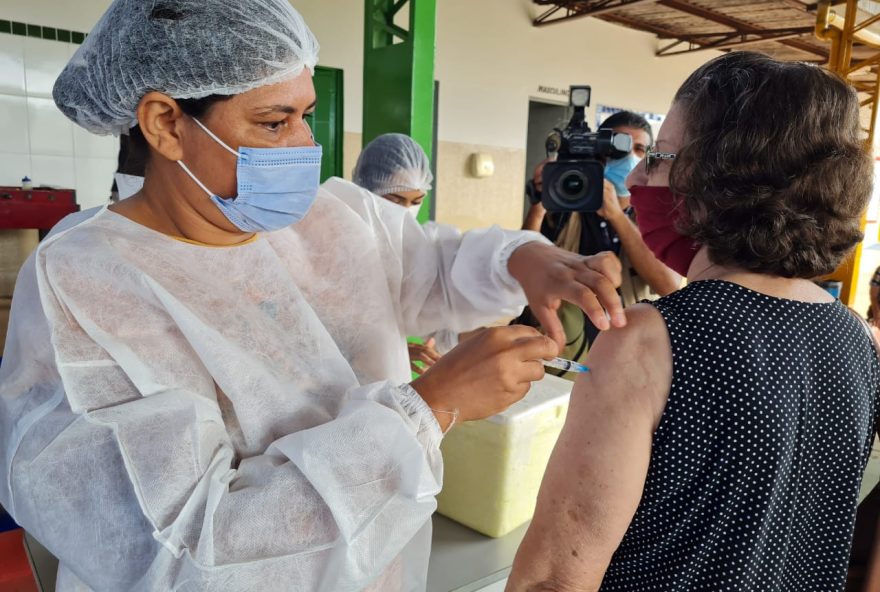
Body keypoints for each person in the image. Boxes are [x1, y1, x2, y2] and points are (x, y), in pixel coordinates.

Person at [0, 1, 627, 591]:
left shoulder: (326, 220)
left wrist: (525, 258)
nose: (305, 145)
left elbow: (427, 266)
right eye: (274, 122)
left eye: (305, 114)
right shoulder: (87, 283)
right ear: (166, 123)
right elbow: (182, 551)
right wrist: (427, 410)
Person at [507, 51, 880, 591]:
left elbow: (555, 577)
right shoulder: (856, 338)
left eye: (657, 156)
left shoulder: (646, 340)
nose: (636, 174)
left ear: (725, 179)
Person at [518, 112, 681, 375]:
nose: (629, 158)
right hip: (561, 360)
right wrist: (541, 201)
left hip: (629, 362)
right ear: (599, 154)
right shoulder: (567, 201)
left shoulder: (658, 215)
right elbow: (520, 270)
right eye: (617, 148)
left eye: (639, 149)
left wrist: (617, 216)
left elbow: (669, 286)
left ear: (649, 157)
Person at [349, 132, 449, 374]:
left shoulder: (417, 246)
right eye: (394, 199)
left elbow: (436, 312)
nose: (405, 212)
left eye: (416, 201)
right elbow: (326, 336)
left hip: (391, 382)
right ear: (366, 188)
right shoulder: (340, 241)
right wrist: (390, 350)